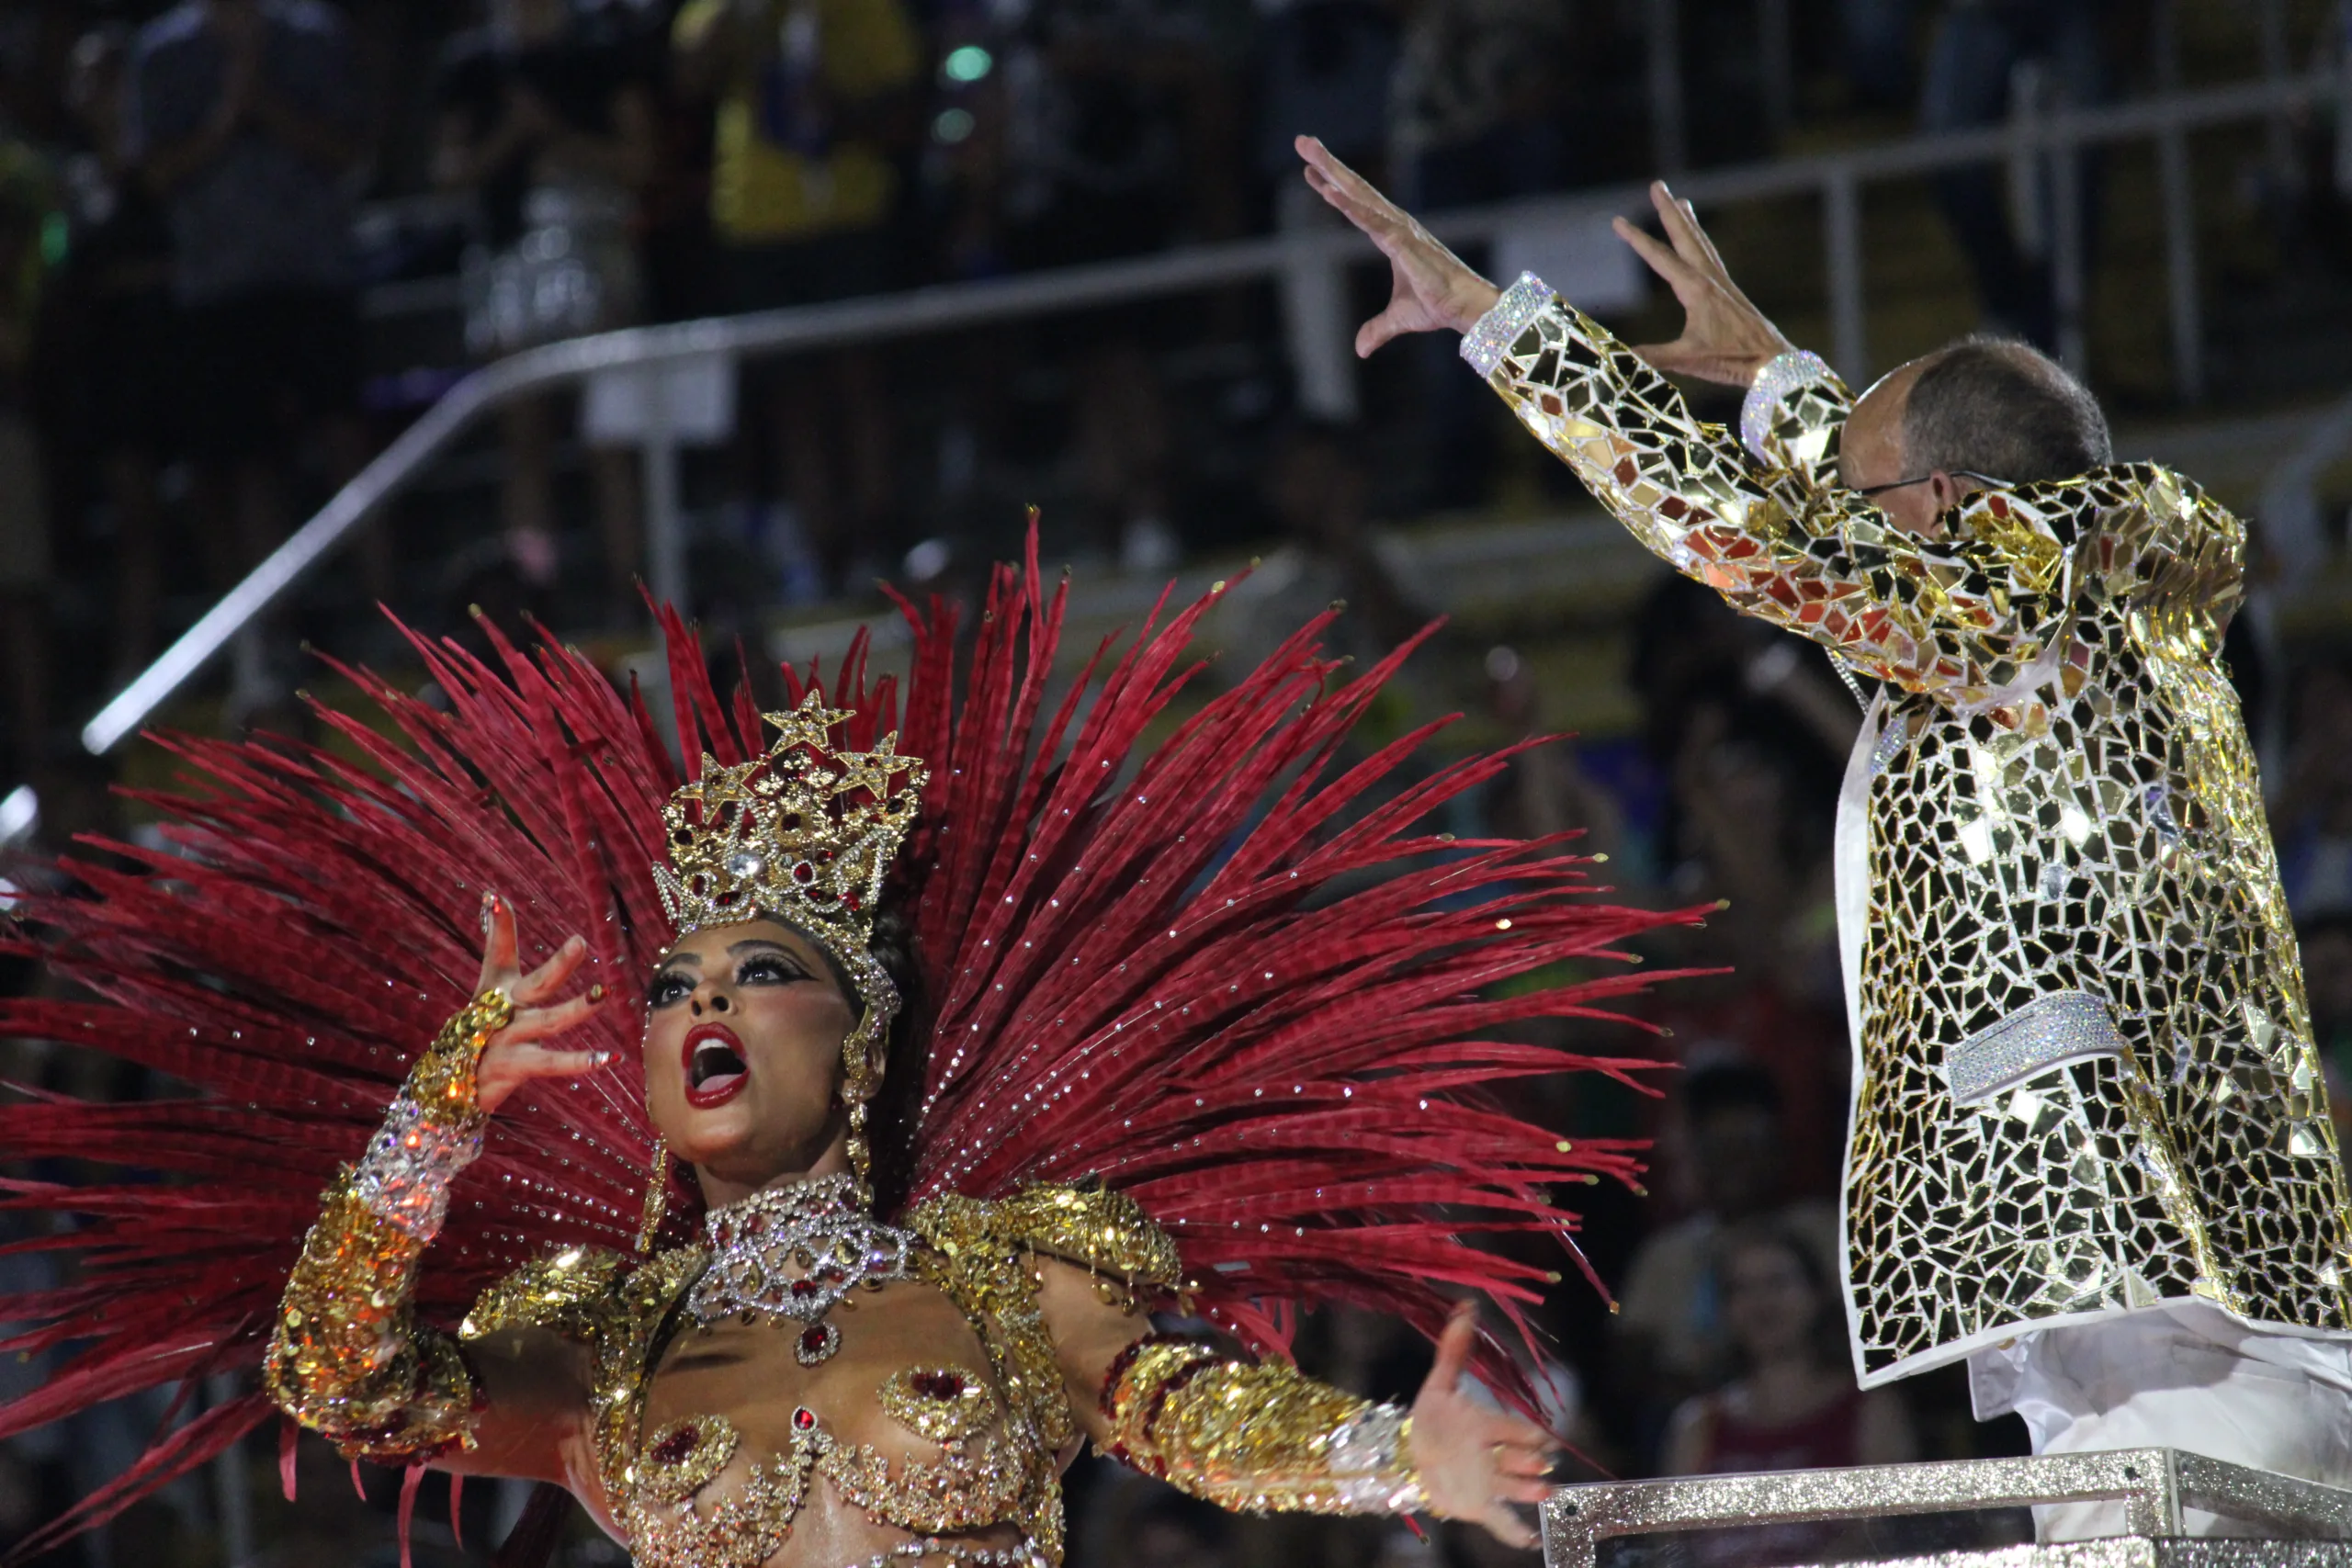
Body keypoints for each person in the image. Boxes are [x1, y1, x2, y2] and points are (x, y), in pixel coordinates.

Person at [0, 547, 1707, 1563]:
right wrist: (432, 1123)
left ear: (861, 1041)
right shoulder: (601, 1333)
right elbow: (338, 1384)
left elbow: (1183, 1407)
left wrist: (1387, 1459)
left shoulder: (999, 1276)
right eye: (670, 984)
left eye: (760, 972)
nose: (701, 1007)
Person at [1297, 135, 2352, 1535]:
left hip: (2133, 1272)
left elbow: (1764, 544)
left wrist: (1504, 325)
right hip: (2201, 1273)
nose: (1838, 548)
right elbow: (1871, 518)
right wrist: (1787, 384)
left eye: (1860, 509)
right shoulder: (2100, 606)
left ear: (1948, 516)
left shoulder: (2011, 594)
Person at [121, 0, 372, 715]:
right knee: (247, 466)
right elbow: (154, 173)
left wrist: (268, 102)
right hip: (217, 290)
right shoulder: (163, 52)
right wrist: (230, 114)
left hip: (317, 273)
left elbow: (350, 147)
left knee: (348, 444)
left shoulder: (315, 33)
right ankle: (269, 638)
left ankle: (385, 614)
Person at [435, 0, 657, 619]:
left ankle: (631, 594)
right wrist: (516, 133)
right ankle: (529, 609)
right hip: (508, 264)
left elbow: (640, 161)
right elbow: (449, 173)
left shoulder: (601, 48)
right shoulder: (473, 62)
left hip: (595, 251)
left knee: (611, 438)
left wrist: (559, 136)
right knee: (524, 444)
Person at [1616, 1065, 1839, 1423]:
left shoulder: (1823, 1230)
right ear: (1696, 1157)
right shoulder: (1665, 1253)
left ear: (1779, 1150)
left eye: (1748, 1146)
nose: (1734, 1164)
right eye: (1719, 1149)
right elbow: (1628, 1363)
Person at [1661, 1222, 1916, 1477]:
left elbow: (1887, 1515)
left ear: (1817, 1293)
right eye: (1742, 1288)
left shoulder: (1870, 1410)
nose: (1761, 1302)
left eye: (1777, 1282)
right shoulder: (1700, 1424)